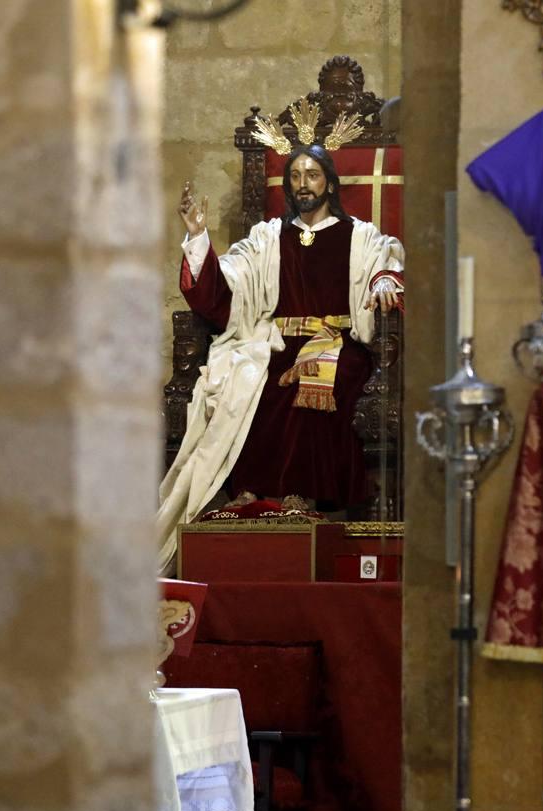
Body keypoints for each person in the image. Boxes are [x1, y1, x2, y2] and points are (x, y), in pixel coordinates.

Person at [157, 143, 404, 570]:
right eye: (294, 176)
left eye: (311, 175)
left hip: (337, 340)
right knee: (253, 383)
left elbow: (388, 263)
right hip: (274, 340)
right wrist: (199, 238)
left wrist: (384, 282)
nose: (302, 184)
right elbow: (227, 284)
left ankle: (300, 492)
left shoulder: (359, 235)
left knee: (316, 381)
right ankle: (252, 490)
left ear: (329, 181)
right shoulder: (267, 238)